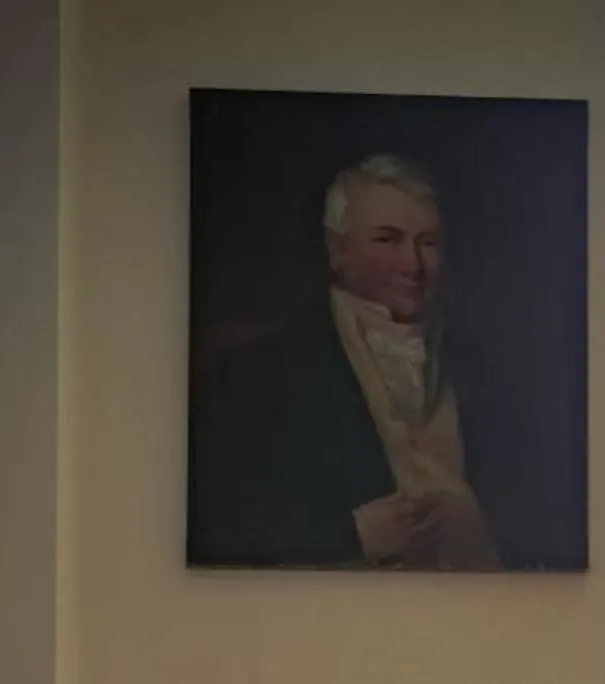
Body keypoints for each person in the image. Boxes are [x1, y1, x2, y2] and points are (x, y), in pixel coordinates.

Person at [190, 154, 508, 569]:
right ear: (337, 250)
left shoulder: (484, 370)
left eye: (428, 243)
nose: (413, 265)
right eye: (387, 239)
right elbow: (214, 534)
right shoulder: (262, 372)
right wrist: (351, 534)